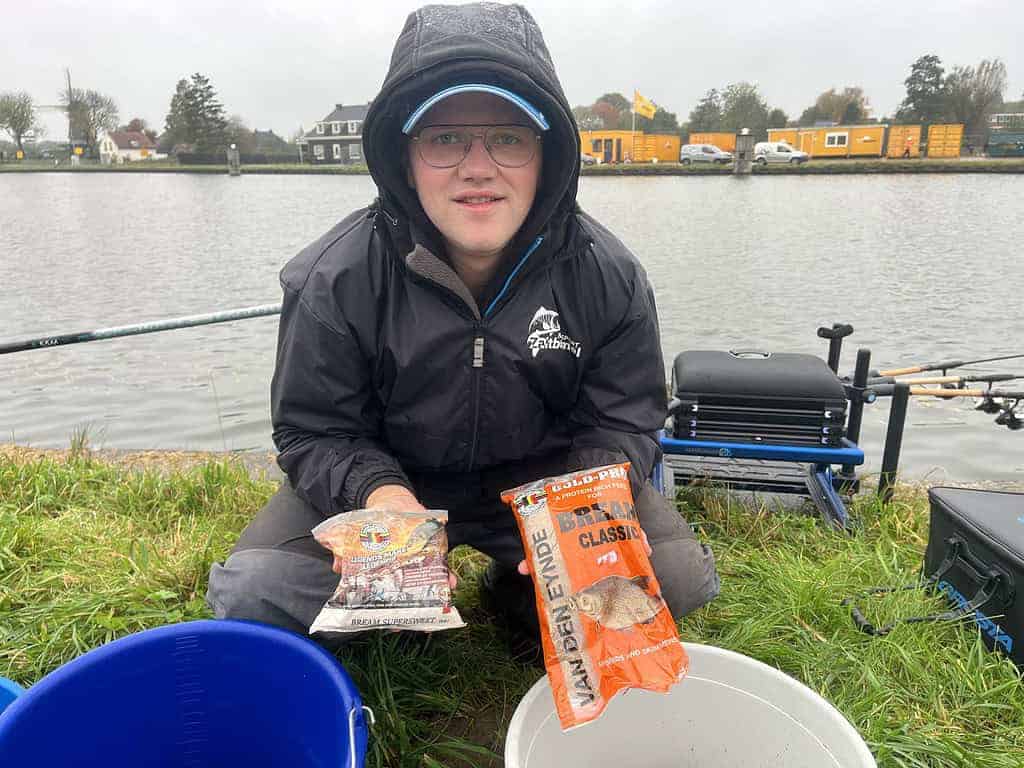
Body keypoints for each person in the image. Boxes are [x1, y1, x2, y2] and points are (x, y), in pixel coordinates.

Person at [206, 2, 719, 645]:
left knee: (676, 579)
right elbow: (314, 431)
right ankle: (407, 606)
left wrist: (579, 506)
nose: (478, 167)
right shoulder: (331, 279)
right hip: (395, 492)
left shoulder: (610, 274)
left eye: (509, 137)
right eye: (445, 139)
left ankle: (517, 589)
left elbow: (625, 421)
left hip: (546, 493)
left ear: (547, 154)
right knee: (252, 593)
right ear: (405, 156)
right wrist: (381, 499)